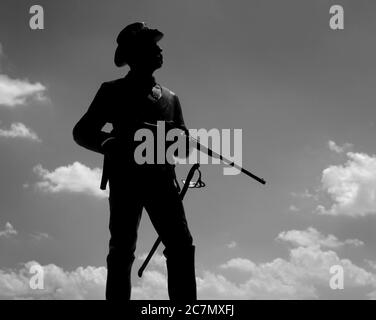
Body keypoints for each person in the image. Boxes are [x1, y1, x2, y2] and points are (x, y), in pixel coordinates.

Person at [72, 22, 197, 300]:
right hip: (126, 180)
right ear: (135, 54)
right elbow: (82, 132)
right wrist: (110, 144)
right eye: (152, 46)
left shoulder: (171, 99)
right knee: (122, 249)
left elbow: (183, 148)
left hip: (163, 181)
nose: (159, 50)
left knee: (181, 246)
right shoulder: (111, 91)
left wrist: (181, 139)